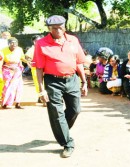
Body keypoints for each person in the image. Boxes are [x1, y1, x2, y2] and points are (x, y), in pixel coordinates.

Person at [33, 15, 88, 158]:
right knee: (56, 113)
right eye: (54, 28)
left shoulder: (73, 40)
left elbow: (79, 62)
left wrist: (84, 81)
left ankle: (61, 130)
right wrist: (41, 90)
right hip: (52, 82)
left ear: (65, 26)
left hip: (72, 79)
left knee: (75, 110)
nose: (58, 30)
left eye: (60, 27)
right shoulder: (41, 43)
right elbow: (39, 67)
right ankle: (68, 143)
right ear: (49, 29)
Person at [1, 37, 27, 109]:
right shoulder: (3, 50)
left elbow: (22, 58)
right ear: (8, 44)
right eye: (12, 42)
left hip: (17, 71)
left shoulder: (19, 49)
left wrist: (28, 61)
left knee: (18, 87)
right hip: (7, 70)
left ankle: (17, 103)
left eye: (15, 43)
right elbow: (1, 61)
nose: (14, 44)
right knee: (7, 86)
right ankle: (5, 103)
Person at [25, 35, 44, 105]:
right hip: (36, 69)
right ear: (33, 42)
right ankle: (41, 96)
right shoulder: (32, 49)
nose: (38, 42)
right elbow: (28, 58)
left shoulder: (44, 47)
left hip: (45, 69)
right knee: (38, 83)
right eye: (36, 41)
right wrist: (31, 65)